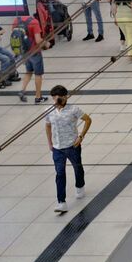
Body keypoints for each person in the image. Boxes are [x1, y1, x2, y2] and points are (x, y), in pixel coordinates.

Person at [44, 85, 91, 213]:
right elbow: (47, 126)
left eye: (61, 97)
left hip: (72, 146)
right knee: (60, 174)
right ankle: (61, 202)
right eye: (55, 97)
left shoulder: (74, 109)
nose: (58, 100)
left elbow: (87, 120)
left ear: (66, 97)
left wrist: (81, 136)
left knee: (78, 167)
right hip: (57, 148)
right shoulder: (49, 110)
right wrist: (50, 143)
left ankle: (80, 186)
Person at [11, 14, 45, 103]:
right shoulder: (34, 22)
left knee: (28, 72)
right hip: (34, 52)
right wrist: (46, 43)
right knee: (38, 74)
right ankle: (38, 97)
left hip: (24, 52)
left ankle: (22, 90)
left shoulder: (16, 20)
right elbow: (38, 40)